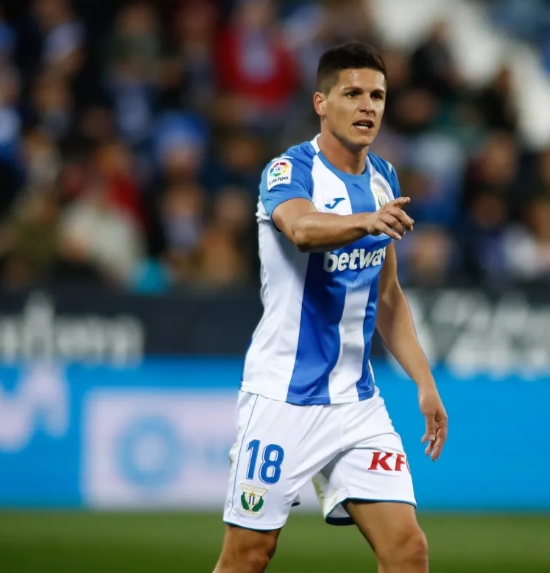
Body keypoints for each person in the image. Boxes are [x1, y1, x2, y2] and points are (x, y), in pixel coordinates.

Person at [213, 42, 448, 573]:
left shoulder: (384, 176)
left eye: (378, 96)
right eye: (353, 93)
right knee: (249, 556)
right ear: (322, 102)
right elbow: (300, 229)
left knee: (408, 550)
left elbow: (386, 295)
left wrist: (424, 383)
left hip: (356, 403)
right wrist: (366, 223)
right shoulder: (287, 171)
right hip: (283, 399)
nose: (368, 106)